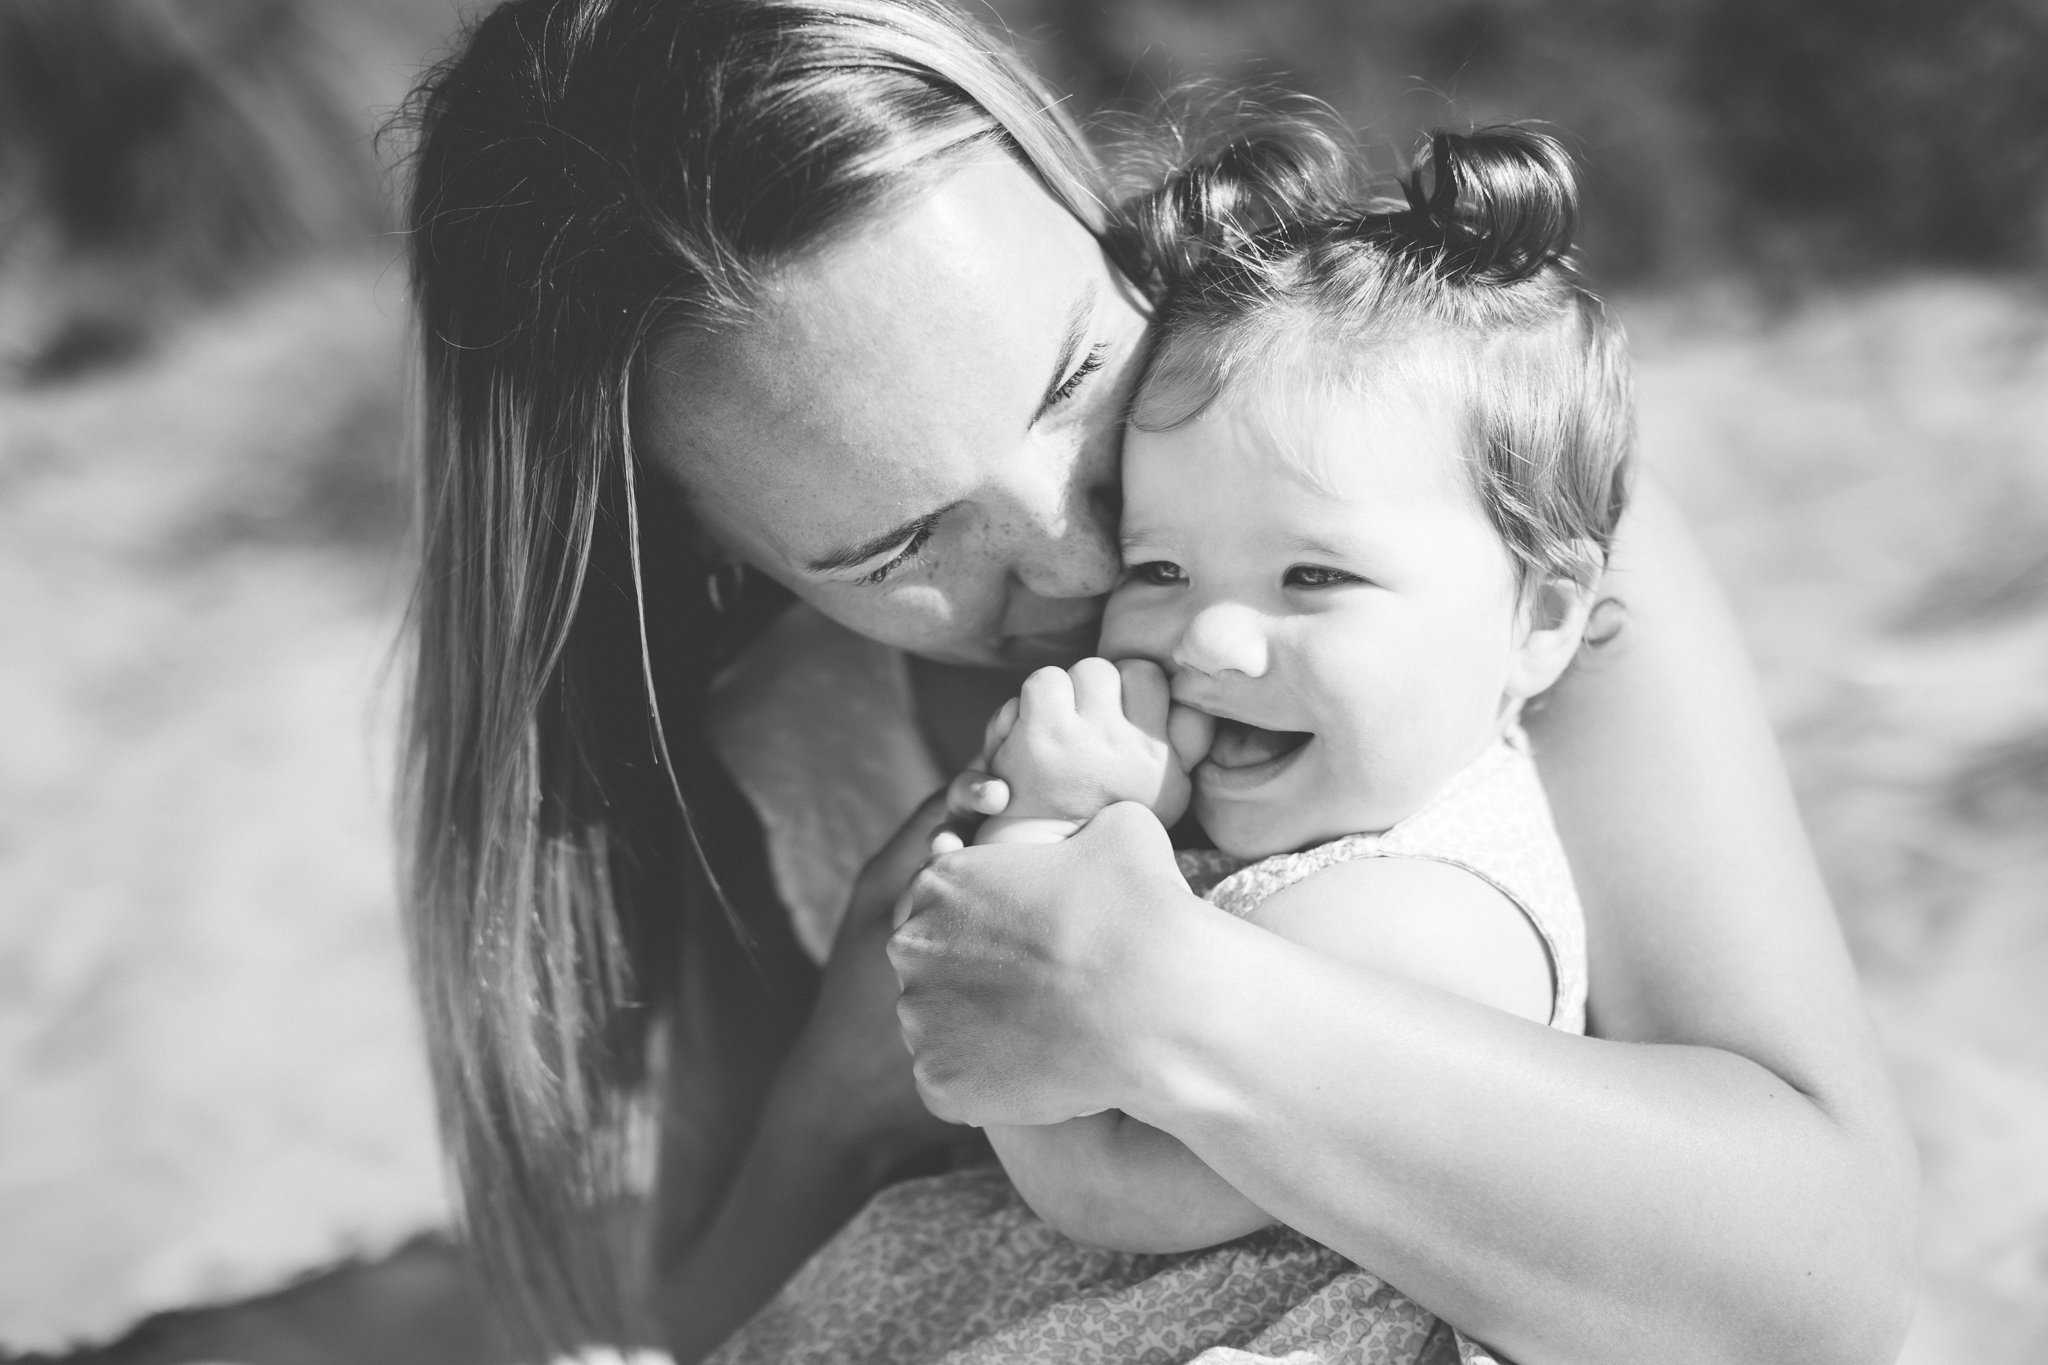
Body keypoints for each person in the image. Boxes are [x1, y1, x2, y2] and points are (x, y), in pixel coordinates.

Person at [398, 2, 1916, 1363]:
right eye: (901, 541)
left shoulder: (1447, 513)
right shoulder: (753, 747)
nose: (1073, 552)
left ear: (1081, 200)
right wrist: (840, 1095)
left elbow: (1823, 1285)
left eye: (1075, 376)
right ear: (720, 563)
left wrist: (1169, 1006)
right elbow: (680, 1320)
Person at [703, 121, 1622, 1365]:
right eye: (1164, 566)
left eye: (1311, 575)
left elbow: (1117, 1191)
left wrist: (1034, 852)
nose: (1213, 641)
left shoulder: (1411, 924)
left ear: (1541, 622)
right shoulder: (1342, 822)